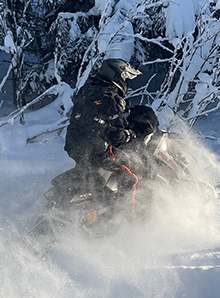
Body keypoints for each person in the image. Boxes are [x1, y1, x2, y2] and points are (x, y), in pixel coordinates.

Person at [63, 58, 155, 197]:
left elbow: (93, 113)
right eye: (126, 78)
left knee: (96, 167)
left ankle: (102, 197)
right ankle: (131, 214)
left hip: (73, 143)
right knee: (133, 174)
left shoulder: (88, 89)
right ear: (118, 75)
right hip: (97, 148)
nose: (127, 83)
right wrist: (132, 135)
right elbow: (117, 136)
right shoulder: (111, 98)